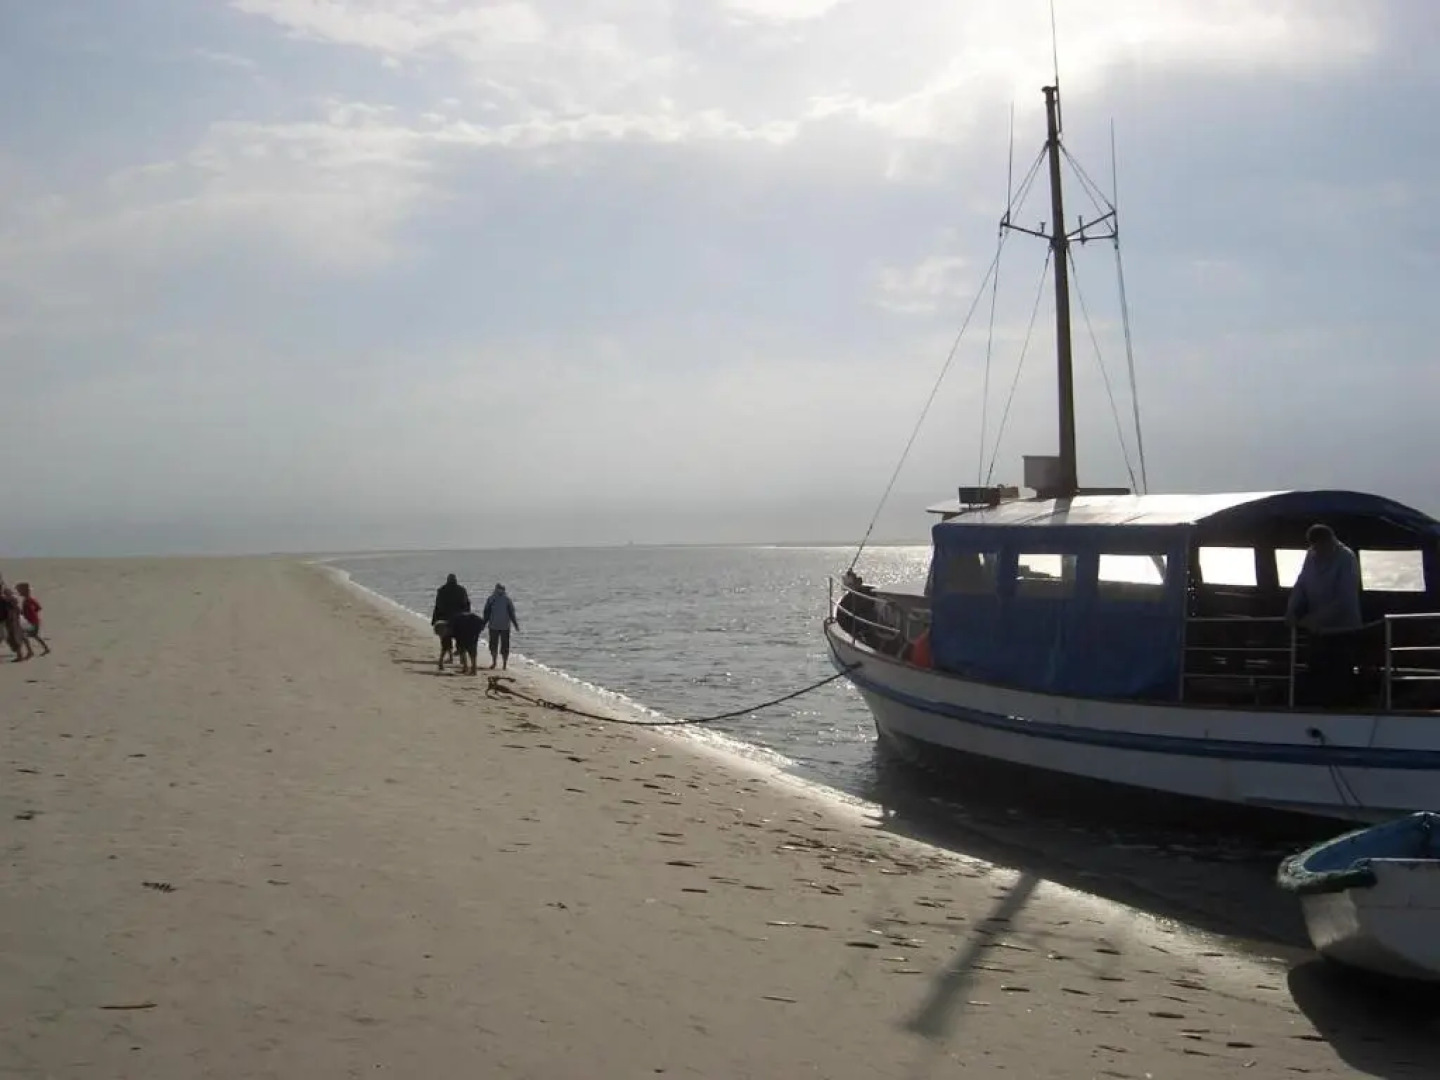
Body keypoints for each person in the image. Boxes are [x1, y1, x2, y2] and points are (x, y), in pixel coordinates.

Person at [1286, 523, 1363, 705]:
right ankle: (1316, 705)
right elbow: (1301, 584)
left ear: (1331, 541)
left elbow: (1344, 598)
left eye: (1321, 546)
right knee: (1316, 669)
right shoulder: (1311, 555)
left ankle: (1342, 708)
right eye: (1315, 547)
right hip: (1317, 630)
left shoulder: (1346, 558)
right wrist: (1291, 609)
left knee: (1340, 672)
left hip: (1343, 629)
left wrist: (1314, 618)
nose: (1318, 551)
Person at [431, 574, 471, 670]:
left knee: (445, 643)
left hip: (445, 620)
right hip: (459, 620)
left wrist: (434, 620)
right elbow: (466, 604)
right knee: (461, 642)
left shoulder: (442, 590)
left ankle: (445, 660)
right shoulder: (462, 590)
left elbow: (438, 606)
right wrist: (467, 618)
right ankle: (464, 663)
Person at [481, 583, 521, 670]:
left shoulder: (493, 599)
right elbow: (511, 614)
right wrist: (515, 625)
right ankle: (501, 664)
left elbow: (486, 613)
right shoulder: (503, 599)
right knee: (501, 645)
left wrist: (483, 624)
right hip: (501, 626)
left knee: (497, 645)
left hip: (498, 626)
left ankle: (499, 663)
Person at [446, 610, 486, 675]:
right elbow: (482, 625)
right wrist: (477, 632)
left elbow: (452, 632)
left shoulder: (454, 620)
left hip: (463, 634)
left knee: (462, 651)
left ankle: (466, 668)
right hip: (473, 633)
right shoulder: (472, 617)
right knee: (472, 652)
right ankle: (473, 669)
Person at [15, 583, 49, 657]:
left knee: (24, 636)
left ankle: (30, 652)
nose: (19, 592)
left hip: (32, 622)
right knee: (34, 636)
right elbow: (38, 607)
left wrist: (31, 615)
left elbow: (37, 608)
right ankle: (45, 649)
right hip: (33, 621)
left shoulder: (28, 600)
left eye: (19, 591)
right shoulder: (28, 600)